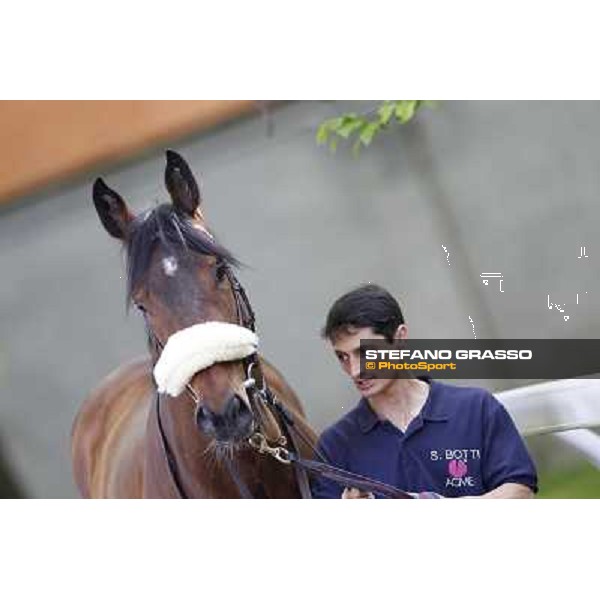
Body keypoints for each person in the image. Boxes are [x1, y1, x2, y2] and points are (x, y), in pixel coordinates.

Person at [311, 284, 538, 499]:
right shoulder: (334, 447)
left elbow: (519, 490)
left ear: (400, 338)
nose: (354, 370)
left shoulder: (476, 408)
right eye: (342, 357)